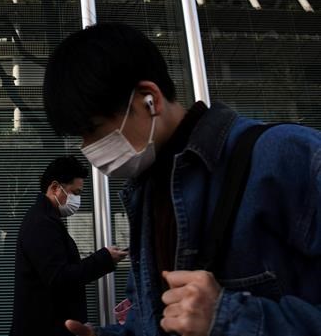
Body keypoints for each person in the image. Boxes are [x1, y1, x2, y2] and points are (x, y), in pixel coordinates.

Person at [42, 23, 321, 336]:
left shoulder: (289, 155)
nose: (88, 148)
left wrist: (228, 319)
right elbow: (154, 321)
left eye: (93, 129)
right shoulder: (146, 193)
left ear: (150, 99)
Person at [9, 156, 127, 336]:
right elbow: (60, 277)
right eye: (75, 193)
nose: (77, 200)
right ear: (55, 188)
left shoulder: (46, 220)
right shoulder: (42, 223)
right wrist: (104, 258)